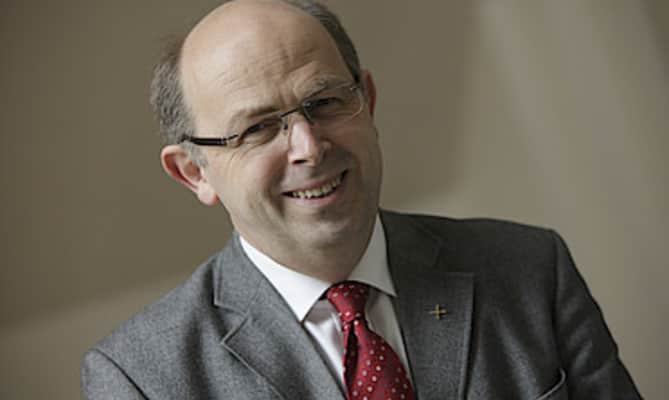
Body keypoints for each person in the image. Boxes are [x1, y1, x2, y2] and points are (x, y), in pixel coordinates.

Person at [81, 0, 642, 399]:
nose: (309, 147)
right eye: (257, 128)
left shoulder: (532, 269)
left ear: (367, 102)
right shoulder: (139, 378)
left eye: (325, 102)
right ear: (193, 173)